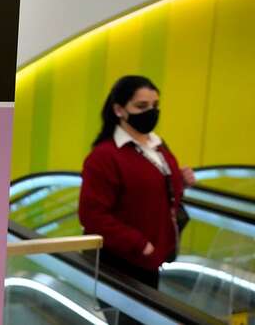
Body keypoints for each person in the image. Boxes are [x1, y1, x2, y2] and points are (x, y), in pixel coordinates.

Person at [78, 75, 196, 293]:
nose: (151, 112)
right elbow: (92, 216)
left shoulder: (157, 145)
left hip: (152, 258)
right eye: (141, 106)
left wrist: (180, 180)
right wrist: (140, 245)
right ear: (119, 110)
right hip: (119, 262)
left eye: (155, 106)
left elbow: (151, 187)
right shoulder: (105, 156)